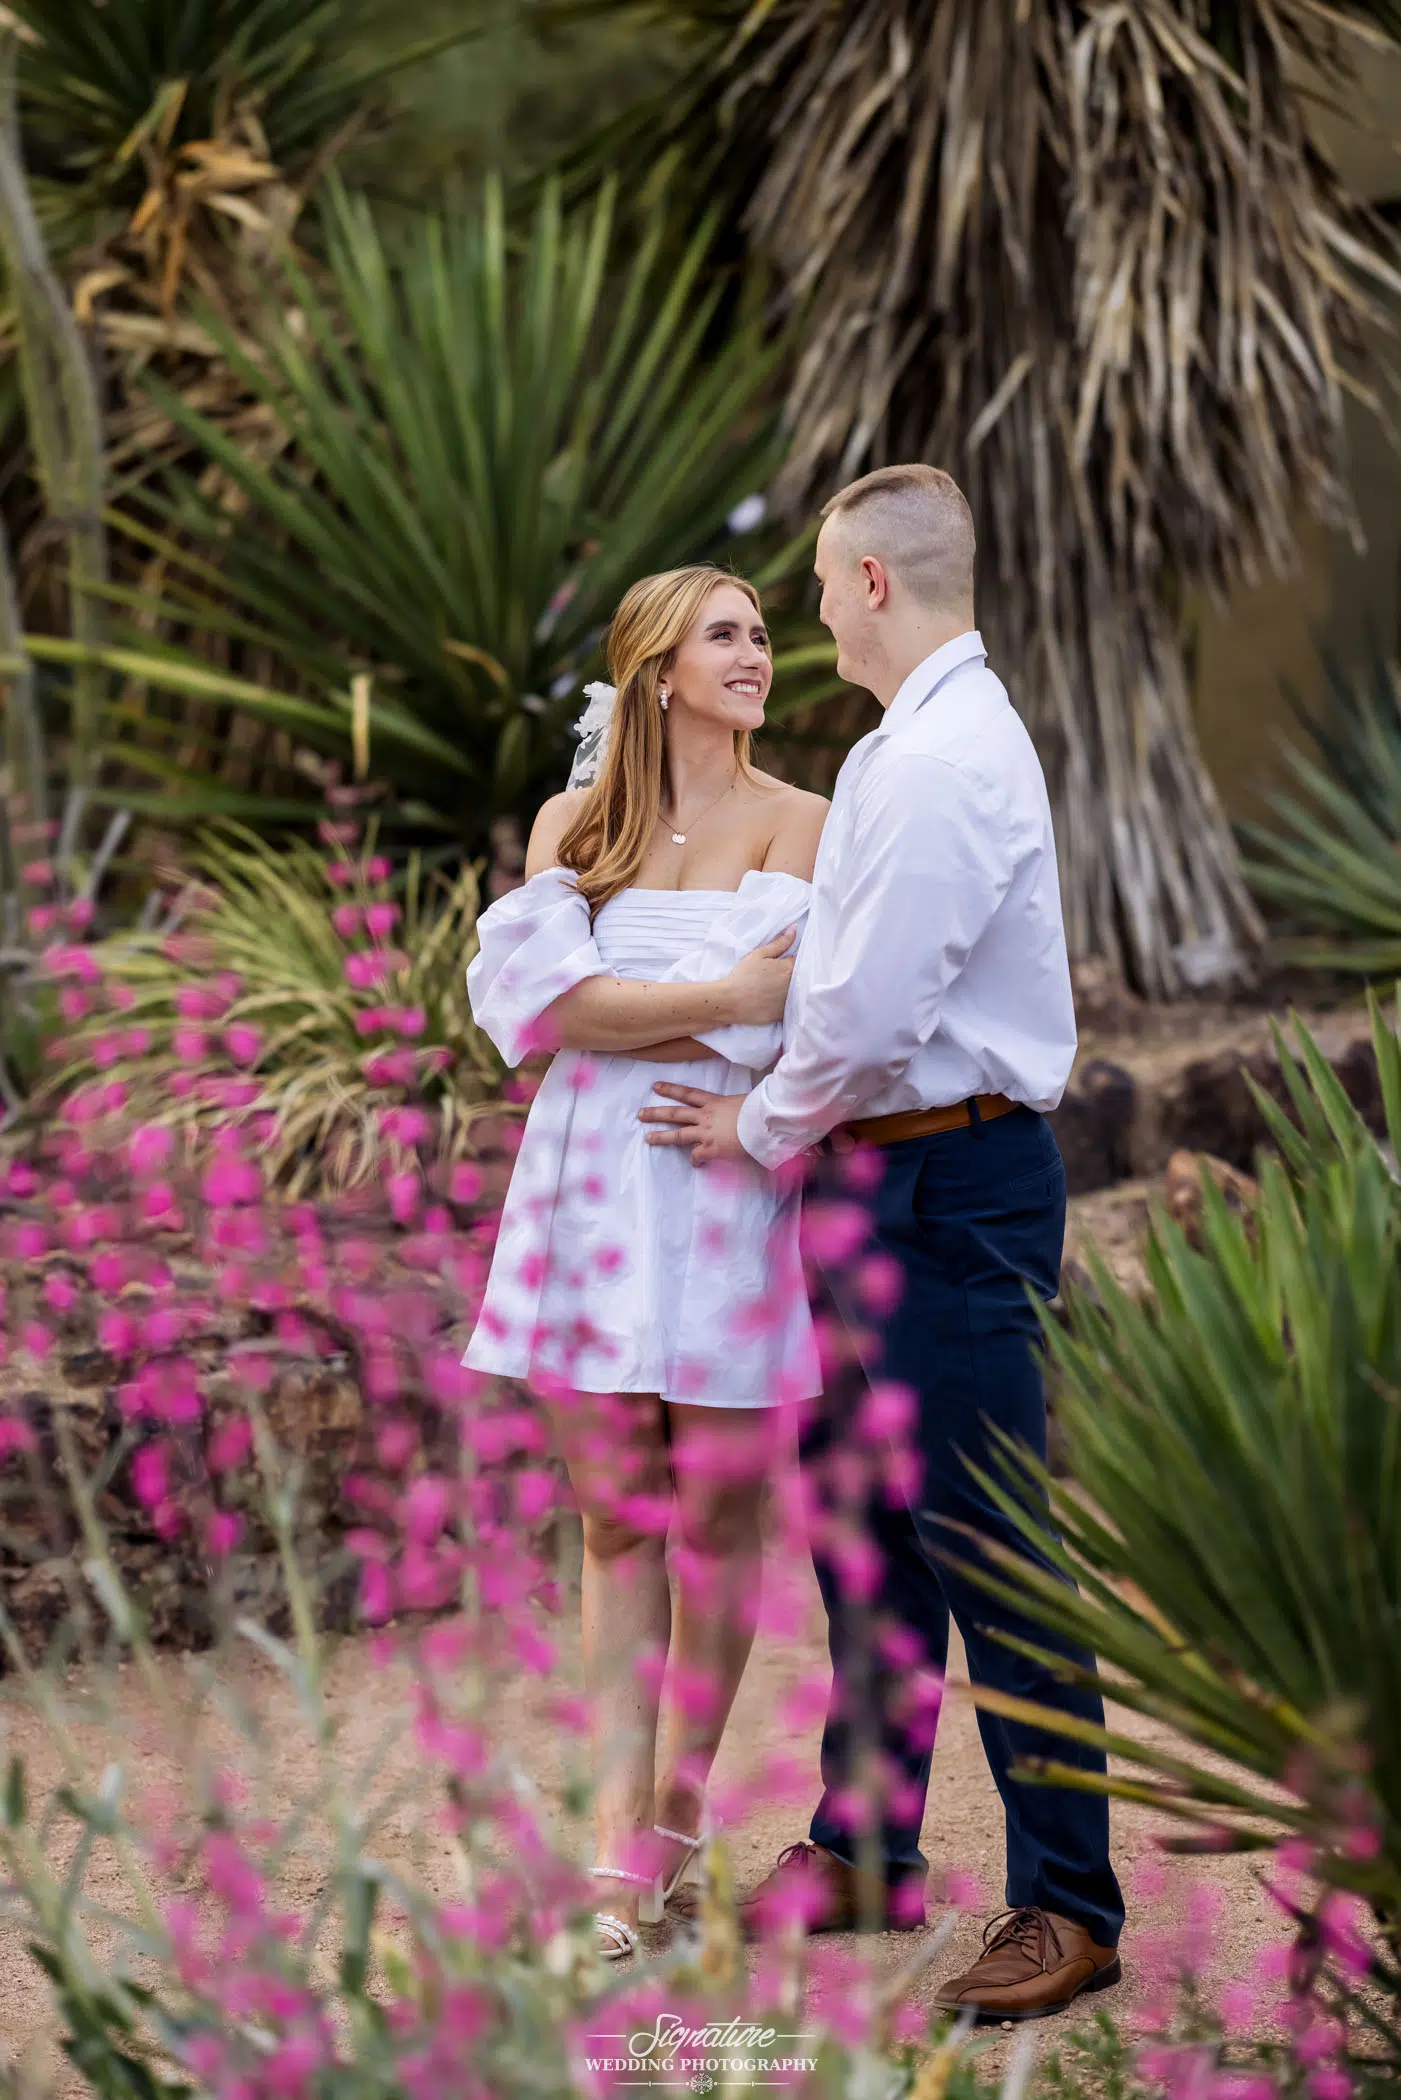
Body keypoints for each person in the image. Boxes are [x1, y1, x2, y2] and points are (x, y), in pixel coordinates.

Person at [640, 467, 1126, 2021]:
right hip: (873, 1182)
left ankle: (1070, 1903)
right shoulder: (898, 750)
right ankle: (866, 1846)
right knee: (864, 1530)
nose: (807, 615)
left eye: (817, 585)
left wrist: (758, 1127)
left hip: (950, 1184)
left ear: (864, 583)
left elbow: (866, 1014)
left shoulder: (936, 765)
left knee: (990, 1543)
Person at [463, 564, 828, 1961]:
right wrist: (720, 995)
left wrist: (675, 1016)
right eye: (723, 636)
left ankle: (664, 1836)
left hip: (725, 1185)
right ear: (656, 671)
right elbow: (535, 1011)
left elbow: (776, 1037)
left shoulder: (809, 819)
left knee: (722, 1526)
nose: (754, 656)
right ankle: (614, 1845)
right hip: (584, 1198)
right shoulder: (576, 824)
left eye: (759, 636)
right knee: (616, 1524)